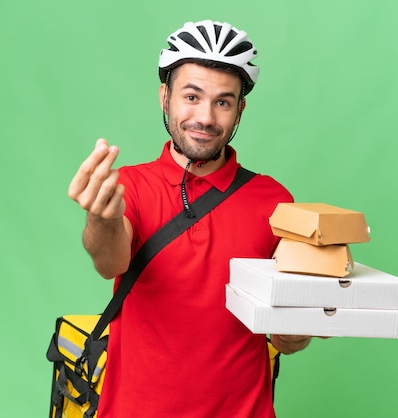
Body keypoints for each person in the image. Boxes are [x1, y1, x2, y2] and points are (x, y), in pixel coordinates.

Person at [68, 20, 312, 418]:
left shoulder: (274, 201)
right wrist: (103, 217)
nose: (206, 117)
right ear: (165, 97)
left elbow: (286, 337)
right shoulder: (130, 184)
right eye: (192, 96)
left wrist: (299, 327)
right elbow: (109, 262)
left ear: (239, 110)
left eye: (222, 101)